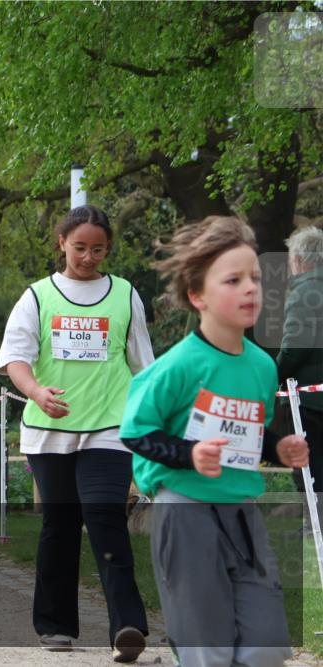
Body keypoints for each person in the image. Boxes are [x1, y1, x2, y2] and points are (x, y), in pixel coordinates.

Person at [120, 216, 309, 667]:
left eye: (256, 279)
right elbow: (136, 432)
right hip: (185, 512)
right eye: (234, 280)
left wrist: (276, 448)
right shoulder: (178, 366)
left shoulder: (263, 367)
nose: (251, 289)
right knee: (209, 648)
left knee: (265, 645)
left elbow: (245, 432)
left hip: (243, 513)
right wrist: (189, 455)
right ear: (197, 295)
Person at [0, 205, 152, 661]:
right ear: (62, 242)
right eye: (79, 247)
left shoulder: (124, 294)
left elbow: (144, 364)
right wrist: (37, 392)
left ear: (108, 249)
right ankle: (55, 625)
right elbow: (17, 359)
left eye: (98, 249)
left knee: (105, 519)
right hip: (50, 432)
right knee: (60, 525)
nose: (88, 257)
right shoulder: (37, 297)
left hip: (110, 426)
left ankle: (128, 626)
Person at [276, 226, 323, 513]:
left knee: (307, 463)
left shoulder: (304, 293)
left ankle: (312, 525)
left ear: (300, 260)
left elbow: (295, 346)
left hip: (311, 402)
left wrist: (272, 375)